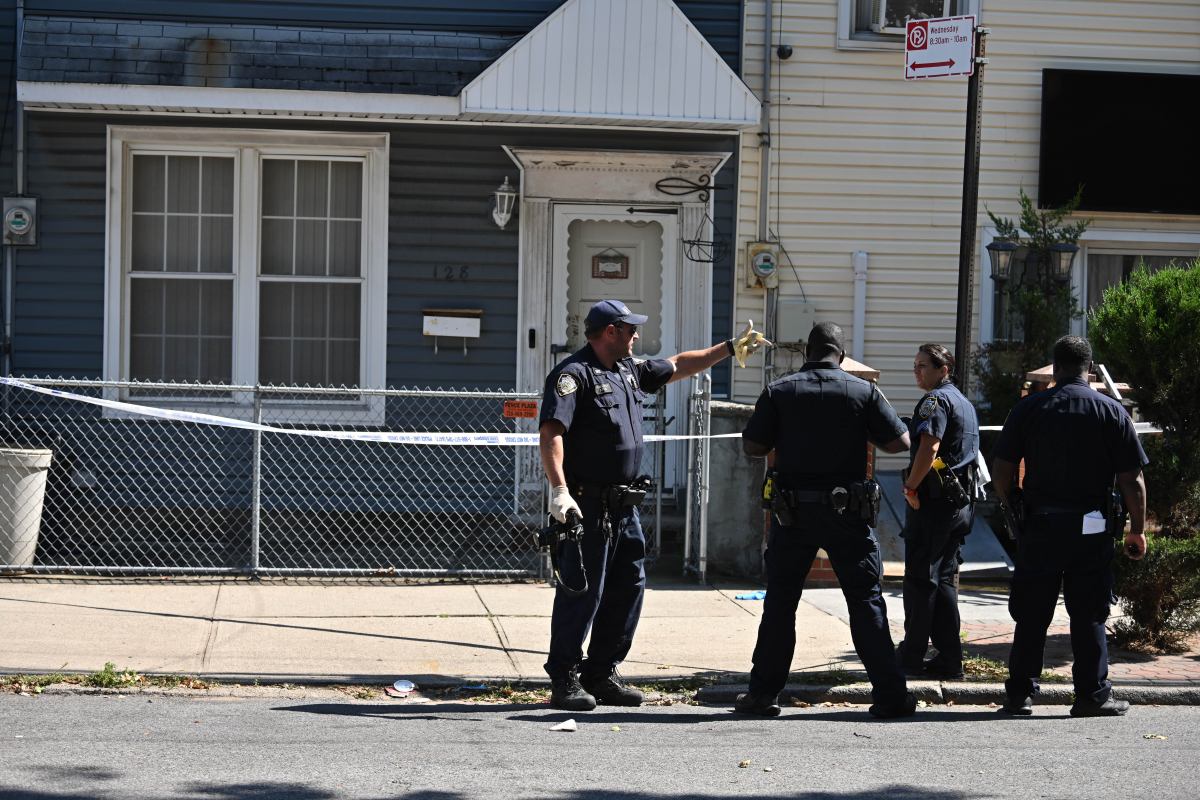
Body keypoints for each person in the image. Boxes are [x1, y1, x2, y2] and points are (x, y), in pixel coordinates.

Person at [538, 299, 767, 711]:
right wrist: (560, 491)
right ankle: (565, 678)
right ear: (611, 331)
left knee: (628, 588)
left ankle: (601, 672)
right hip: (587, 504)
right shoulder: (574, 375)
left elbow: (678, 365)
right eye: (630, 329)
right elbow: (552, 433)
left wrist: (729, 348)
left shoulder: (628, 370)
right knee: (582, 590)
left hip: (625, 507)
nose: (636, 336)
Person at [734, 321, 916, 719]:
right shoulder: (863, 391)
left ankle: (763, 695)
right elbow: (899, 442)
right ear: (841, 353)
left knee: (781, 603)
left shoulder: (780, 390)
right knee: (865, 600)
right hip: (847, 513)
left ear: (807, 351)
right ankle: (889, 695)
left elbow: (753, 446)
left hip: (792, 513)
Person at [992, 335, 1147, 717]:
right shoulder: (1112, 412)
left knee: (1032, 611)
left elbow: (1002, 472)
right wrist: (1137, 529)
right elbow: (1132, 478)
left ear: (1055, 367)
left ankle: (1019, 694)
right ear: (1090, 370)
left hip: (1041, 525)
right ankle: (1091, 695)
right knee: (1089, 611)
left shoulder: (1028, 409)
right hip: (1092, 529)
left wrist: (1014, 507)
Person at [896, 343, 979, 680]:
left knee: (920, 580)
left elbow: (929, 447)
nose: (917, 372)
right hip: (958, 505)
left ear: (943, 369)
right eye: (915, 366)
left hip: (933, 504)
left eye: (923, 366)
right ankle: (949, 658)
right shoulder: (964, 403)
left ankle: (912, 655)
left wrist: (911, 486)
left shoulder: (935, 401)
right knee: (943, 582)